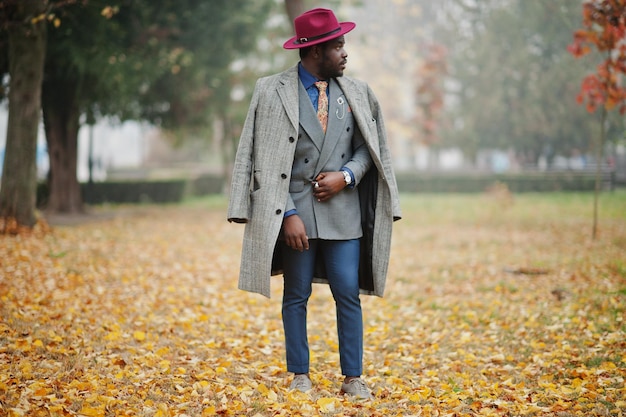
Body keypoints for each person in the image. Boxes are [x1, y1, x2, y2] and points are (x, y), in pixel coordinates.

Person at [227, 7, 401, 399]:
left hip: (344, 214)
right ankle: (300, 375)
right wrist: (287, 213)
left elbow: (369, 150)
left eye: (343, 45)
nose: (344, 53)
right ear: (315, 51)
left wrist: (347, 177)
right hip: (295, 215)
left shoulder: (358, 92)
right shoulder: (270, 90)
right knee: (296, 294)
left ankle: (353, 377)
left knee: (347, 293)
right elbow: (262, 159)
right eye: (337, 46)